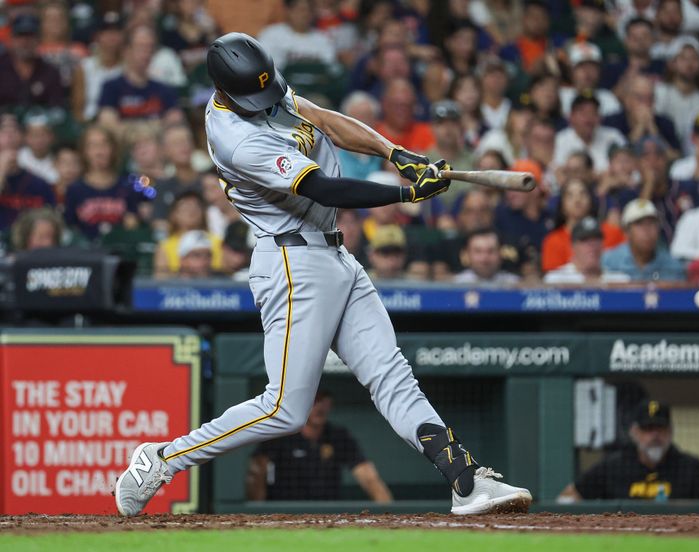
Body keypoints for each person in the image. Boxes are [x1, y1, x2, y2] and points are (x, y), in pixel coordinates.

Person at [114, 32, 531, 517]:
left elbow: (324, 120)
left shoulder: (261, 87)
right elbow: (324, 189)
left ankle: (466, 482)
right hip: (292, 263)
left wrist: (395, 153)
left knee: (392, 376)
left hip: (333, 254)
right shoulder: (237, 139)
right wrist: (405, 195)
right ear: (224, 89)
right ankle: (161, 459)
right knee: (284, 409)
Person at [246, 391, 392, 502]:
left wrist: (389, 513)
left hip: (328, 513)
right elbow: (258, 470)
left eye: (324, 400)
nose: (319, 406)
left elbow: (366, 474)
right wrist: (258, 512)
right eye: (314, 400)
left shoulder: (338, 436)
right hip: (285, 511)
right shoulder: (280, 435)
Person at [558, 400, 699, 501]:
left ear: (670, 431)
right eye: (648, 429)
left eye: (660, 428)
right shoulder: (613, 465)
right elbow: (569, 496)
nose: (655, 435)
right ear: (635, 432)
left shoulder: (691, 467)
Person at [97, 24, 183, 132]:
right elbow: (108, 127)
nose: (147, 53)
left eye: (150, 47)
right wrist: (154, 126)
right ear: (126, 51)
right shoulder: (111, 87)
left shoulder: (164, 89)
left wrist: (128, 126)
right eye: (141, 47)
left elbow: (175, 123)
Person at [63, 125, 140, 241]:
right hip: (86, 253)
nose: (99, 152)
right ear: (84, 152)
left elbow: (133, 226)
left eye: (104, 145)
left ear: (113, 149)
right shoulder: (75, 189)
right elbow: (71, 229)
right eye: (93, 146)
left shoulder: (128, 186)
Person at [541, 179, 625, 273]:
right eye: (570, 196)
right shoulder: (553, 241)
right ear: (562, 206)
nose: (577, 200)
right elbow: (553, 282)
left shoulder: (612, 233)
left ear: (591, 201)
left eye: (583, 194)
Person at [602, 199, 685, 282]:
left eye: (652, 223)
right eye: (639, 223)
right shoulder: (607, 262)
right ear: (626, 231)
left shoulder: (673, 266)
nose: (647, 230)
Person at [654, 35, 699, 150]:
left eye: (695, 58)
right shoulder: (659, 92)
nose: (690, 64)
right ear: (672, 63)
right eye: (683, 58)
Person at [0, 116, 55, 231]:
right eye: (4, 131)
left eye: (15, 130)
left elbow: (52, 222)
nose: (10, 136)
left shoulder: (40, 184)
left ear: (22, 138)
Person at [153, 190, 224, 278]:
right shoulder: (164, 247)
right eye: (185, 207)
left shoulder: (218, 243)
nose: (191, 210)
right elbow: (161, 281)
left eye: (196, 206)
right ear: (174, 214)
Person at [0, 13, 64, 109]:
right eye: (20, 35)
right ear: (12, 39)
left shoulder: (50, 73)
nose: (25, 41)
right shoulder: (2, 68)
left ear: (38, 39)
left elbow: (57, 111)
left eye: (30, 35)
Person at [553, 90, 626, 173]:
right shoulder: (560, 140)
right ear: (571, 117)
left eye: (593, 112)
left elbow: (630, 168)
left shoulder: (613, 136)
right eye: (583, 113)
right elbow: (558, 173)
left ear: (600, 118)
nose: (588, 118)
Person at [544, 216, 630, 285]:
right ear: (573, 247)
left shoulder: (619, 281)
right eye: (585, 240)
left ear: (602, 245)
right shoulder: (556, 280)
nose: (592, 245)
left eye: (596, 239)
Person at [72, 11, 124, 122]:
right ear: (97, 36)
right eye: (107, 32)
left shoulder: (130, 68)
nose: (112, 36)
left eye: (116, 31)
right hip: (91, 123)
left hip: (123, 123)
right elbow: (78, 110)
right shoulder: (85, 67)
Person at [256, 0, 336, 70]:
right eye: (301, 10)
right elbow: (264, 67)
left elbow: (330, 70)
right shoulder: (271, 34)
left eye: (310, 10)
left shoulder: (323, 39)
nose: (306, 14)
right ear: (289, 11)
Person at [559, 42, 621, 119]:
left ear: (599, 71)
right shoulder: (560, 97)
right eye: (581, 66)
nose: (587, 71)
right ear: (571, 71)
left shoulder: (608, 99)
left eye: (592, 67)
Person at [453, 228, 520, 287]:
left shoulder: (516, 286)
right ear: (467, 254)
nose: (484, 258)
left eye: (491, 251)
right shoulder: (454, 286)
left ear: (500, 254)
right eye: (478, 251)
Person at [17, 111, 57, 185]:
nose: (39, 140)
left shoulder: (58, 160)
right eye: (34, 135)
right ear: (26, 138)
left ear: (52, 137)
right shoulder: (16, 158)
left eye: (43, 135)